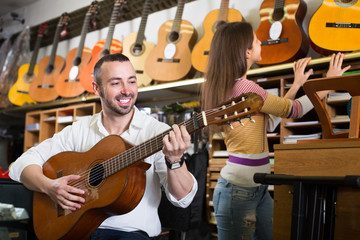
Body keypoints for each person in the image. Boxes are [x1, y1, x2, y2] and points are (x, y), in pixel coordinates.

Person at [9, 53, 198, 240]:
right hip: (77, 229)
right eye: (116, 83)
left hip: (132, 235)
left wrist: (175, 161)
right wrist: (49, 186)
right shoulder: (79, 129)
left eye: (131, 81)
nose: (127, 90)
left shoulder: (157, 132)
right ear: (97, 89)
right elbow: (21, 164)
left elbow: (183, 200)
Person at [201, 21, 350, 240]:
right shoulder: (245, 88)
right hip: (239, 192)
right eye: (256, 39)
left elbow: (270, 121)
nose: (261, 41)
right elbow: (295, 110)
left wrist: (297, 85)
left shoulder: (234, 87)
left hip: (256, 188)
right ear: (247, 51)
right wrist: (329, 82)